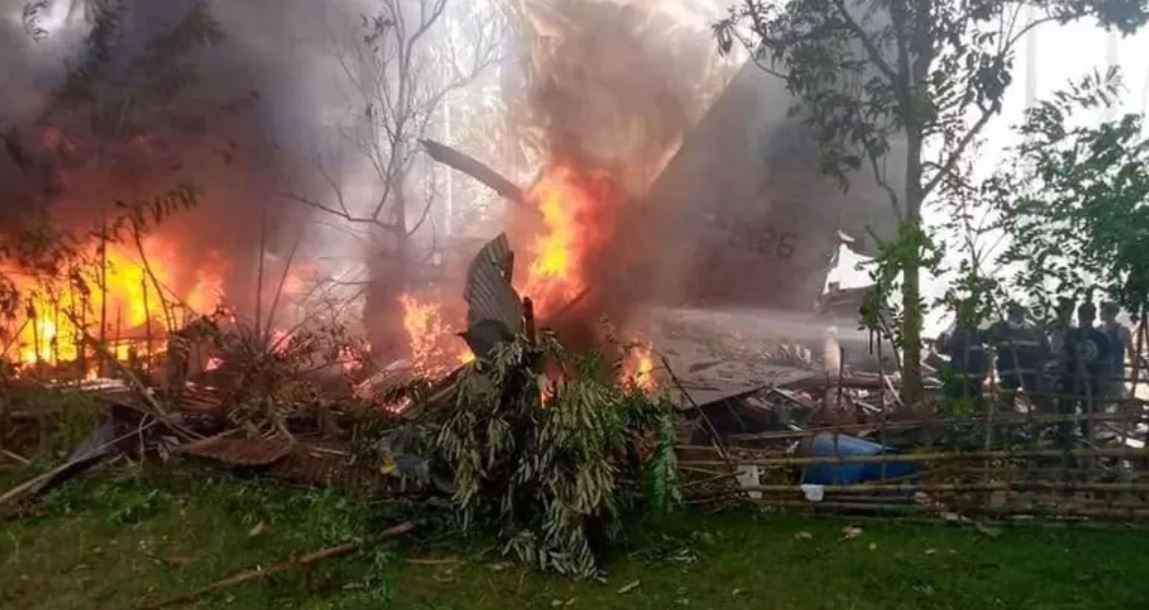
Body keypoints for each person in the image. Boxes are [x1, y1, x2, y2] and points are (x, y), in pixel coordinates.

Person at [1063, 302, 1111, 440]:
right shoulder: (1074, 335)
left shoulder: (1100, 338)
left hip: (1088, 380)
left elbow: (1106, 362)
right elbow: (1066, 357)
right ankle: (1071, 436)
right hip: (1074, 379)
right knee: (1072, 409)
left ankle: (1081, 437)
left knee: (1085, 411)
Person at [991, 302, 1048, 408]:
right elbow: (991, 341)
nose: (1018, 315)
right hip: (1007, 369)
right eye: (1014, 312)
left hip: (1028, 370)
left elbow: (1045, 348)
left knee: (1037, 397)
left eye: (1020, 312)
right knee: (1006, 401)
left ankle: (1047, 419)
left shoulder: (1033, 330)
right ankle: (1005, 420)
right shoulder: (1000, 328)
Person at [938, 300, 990, 404]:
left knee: (946, 375)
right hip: (977, 371)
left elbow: (948, 347)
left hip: (963, 368)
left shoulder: (963, 329)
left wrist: (944, 342)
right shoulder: (974, 330)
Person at [1099, 302, 1134, 401]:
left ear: (1112, 313)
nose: (1100, 313)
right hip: (1100, 373)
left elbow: (1131, 352)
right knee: (1099, 403)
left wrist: (1134, 369)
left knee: (1116, 401)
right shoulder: (1098, 330)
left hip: (1116, 373)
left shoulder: (1123, 331)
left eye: (1103, 310)